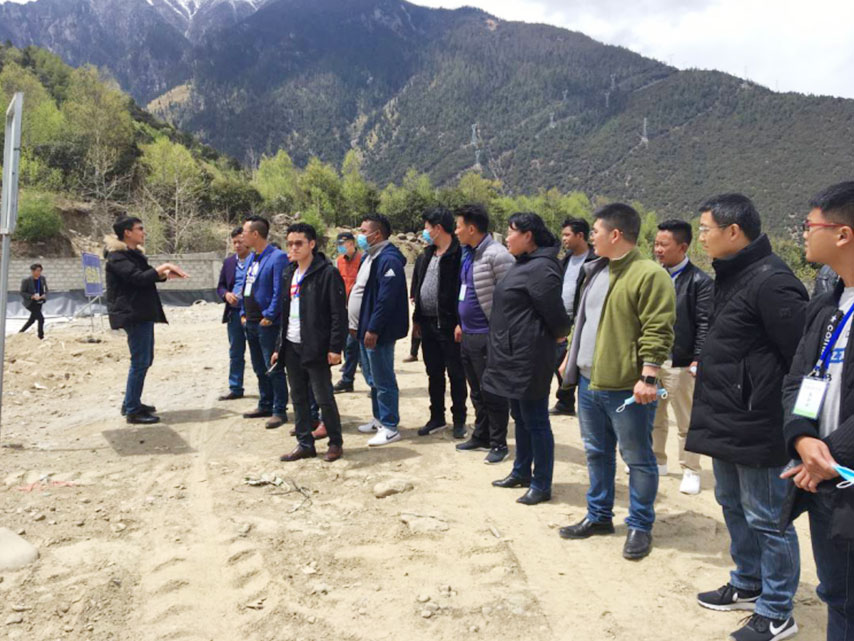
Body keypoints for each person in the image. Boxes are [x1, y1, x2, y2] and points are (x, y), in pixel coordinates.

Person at [686, 194, 806, 641]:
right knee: (732, 505)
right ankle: (748, 581)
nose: (701, 237)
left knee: (769, 519)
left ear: (733, 231)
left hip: (758, 424)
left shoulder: (773, 281)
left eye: (705, 229)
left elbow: (800, 361)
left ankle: (777, 610)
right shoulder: (732, 275)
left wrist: (796, 427)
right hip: (725, 418)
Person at [558, 203, 675, 561]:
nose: (591, 237)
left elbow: (658, 328)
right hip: (590, 383)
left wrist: (649, 376)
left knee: (637, 457)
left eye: (595, 231)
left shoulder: (649, 274)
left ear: (615, 234)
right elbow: (584, 320)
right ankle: (599, 516)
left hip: (627, 387)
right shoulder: (598, 270)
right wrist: (571, 356)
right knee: (596, 453)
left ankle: (640, 525)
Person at [781, 182, 854, 641]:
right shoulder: (827, 304)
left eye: (810, 225)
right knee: (837, 595)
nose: (804, 233)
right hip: (824, 479)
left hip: (838, 472)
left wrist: (827, 455)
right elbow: (798, 379)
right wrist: (803, 437)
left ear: (843, 234)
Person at [484, 212, 570, 505]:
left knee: (536, 420)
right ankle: (521, 471)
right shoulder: (524, 263)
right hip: (511, 354)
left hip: (529, 357)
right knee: (519, 417)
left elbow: (556, 315)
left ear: (528, 235)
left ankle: (542, 483)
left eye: (511, 232)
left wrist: (559, 336)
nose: (507, 238)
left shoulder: (542, 268)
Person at [274, 223, 347, 463]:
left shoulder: (327, 273)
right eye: (290, 244)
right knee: (298, 397)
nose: (293, 248)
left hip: (316, 346)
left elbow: (338, 314)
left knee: (323, 397)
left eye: (299, 243)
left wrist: (335, 347)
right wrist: (278, 347)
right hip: (291, 344)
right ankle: (305, 443)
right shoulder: (289, 273)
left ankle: (335, 442)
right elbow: (284, 313)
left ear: (312, 244)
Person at [105, 217, 188, 424]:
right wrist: (165, 266)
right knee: (140, 361)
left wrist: (164, 275)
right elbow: (138, 278)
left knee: (144, 359)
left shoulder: (133, 255)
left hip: (141, 312)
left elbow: (144, 276)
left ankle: (131, 402)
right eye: (139, 229)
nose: (143, 232)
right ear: (127, 232)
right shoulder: (117, 257)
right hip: (132, 313)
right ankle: (133, 410)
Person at [651, 219, 713, 494]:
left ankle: (691, 469)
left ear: (683, 247)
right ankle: (657, 460)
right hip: (654, 360)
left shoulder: (700, 281)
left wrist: (698, 358)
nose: (658, 249)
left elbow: (704, 323)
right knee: (655, 413)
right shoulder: (655, 275)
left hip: (681, 362)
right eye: (656, 244)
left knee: (685, 418)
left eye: (664, 245)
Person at [453, 204, 515, 464]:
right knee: (476, 390)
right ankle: (482, 434)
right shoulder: (469, 254)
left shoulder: (497, 255)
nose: (456, 231)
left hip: (488, 334)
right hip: (468, 333)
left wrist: (500, 333)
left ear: (471, 228)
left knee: (493, 391)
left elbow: (510, 299)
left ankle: (499, 443)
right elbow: (467, 289)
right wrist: (461, 322)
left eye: (458, 226)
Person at [352, 213, 409, 446]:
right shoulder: (370, 257)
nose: (360, 235)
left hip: (378, 332)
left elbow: (386, 299)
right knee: (373, 378)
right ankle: (378, 419)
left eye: (364, 231)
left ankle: (390, 426)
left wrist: (373, 328)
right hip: (364, 327)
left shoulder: (389, 260)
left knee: (383, 378)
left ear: (377, 234)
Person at [412, 207, 468, 439]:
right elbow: (418, 287)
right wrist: (417, 320)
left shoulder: (459, 255)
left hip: (449, 325)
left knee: (456, 374)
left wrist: (461, 322)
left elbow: (464, 291)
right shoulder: (427, 255)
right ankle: (437, 417)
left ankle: (459, 419)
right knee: (433, 372)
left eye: (427, 227)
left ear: (438, 228)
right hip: (427, 324)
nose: (424, 231)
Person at [240, 215, 290, 429]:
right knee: (259, 367)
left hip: (267, 323)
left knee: (273, 367)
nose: (241, 236)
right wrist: (243, 312)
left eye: (244, 232)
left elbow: (280, 290)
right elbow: (246, 286)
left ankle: (279, 410)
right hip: (250, 322)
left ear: (255, 234)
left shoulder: (277, 257)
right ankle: (265, 403)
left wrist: (270, 315)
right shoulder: (252, 257)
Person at [551, 217, 596, 416]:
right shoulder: (566, 259)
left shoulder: (594, 259)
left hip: (582, 317)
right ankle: (565, 402)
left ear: (580, 235)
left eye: (567, 235)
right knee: (560, 360)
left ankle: (578, 402)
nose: (564, 239)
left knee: (577, 360)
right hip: (563, 316)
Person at [217, 227, 251, 401]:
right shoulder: (229, 262)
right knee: (236, 352)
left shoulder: (257, 260)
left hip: (253, 313)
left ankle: (269, 390)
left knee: (261, 354)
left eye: (240, 241)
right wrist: (226, 295)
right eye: (234, 242)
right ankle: (235, 387)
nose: (237, 245)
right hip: (234, 313)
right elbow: (221, 286)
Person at [332, 232, 362, 394]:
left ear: (351, 243)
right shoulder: (339, 261)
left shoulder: (363, 260)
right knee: (348, 344)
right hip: (343, 308)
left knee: (353, 344)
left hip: (359, 309)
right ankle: (348, 379)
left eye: (342, 244)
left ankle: (349, 379)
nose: (340, 247)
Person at [405, 252, 425, 364]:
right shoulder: (422, 257)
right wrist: (413, 294)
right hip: (419, 298)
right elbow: (416, 276)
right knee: (417, 325)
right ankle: (413, 353)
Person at [19, 263, 48, 339]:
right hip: (30, 303)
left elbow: (45, 289)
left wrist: (44, 295)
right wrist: (32, 296)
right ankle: (41, 336)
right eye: (37, 270)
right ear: (32, 271)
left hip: (39, 301)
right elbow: (22, 292)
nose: (39, 272)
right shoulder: (26, 280)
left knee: (32, 319)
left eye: (40, 270)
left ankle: (21, 332)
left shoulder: (42, 278)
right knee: (41, 319)